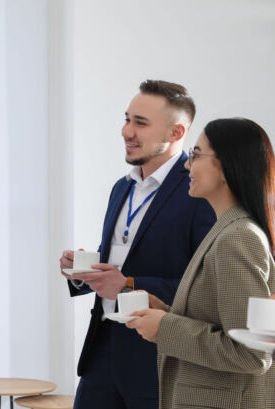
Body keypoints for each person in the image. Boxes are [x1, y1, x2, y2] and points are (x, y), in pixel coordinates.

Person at [59, 80, 216, 408]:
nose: (126, 131)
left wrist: (129, 285)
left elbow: (204, 288)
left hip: (158, 357)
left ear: (176, 133)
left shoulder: (199, 193)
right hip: (101, 350)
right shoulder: (122, 187)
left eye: (140, 123)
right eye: (127, 119)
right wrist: (83, 273)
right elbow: (119, 264)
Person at [127, 118, 275, 408]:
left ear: (225, 166)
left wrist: (166, 327)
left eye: (195, 155)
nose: (186, 166)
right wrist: (167, 312)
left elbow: (250, 354)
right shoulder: (226, 231)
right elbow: (223, 323)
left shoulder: (238, 238)